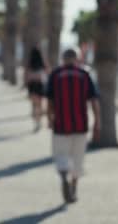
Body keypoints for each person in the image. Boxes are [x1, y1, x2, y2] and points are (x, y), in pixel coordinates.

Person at [45, 48, 101, 204]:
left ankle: (64, 176)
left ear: (63, 58)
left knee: (61, 154)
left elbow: (50, 100)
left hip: (61, 124)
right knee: (78, 158)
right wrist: (97, 121)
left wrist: (49, 118)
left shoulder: (55, 75)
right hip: (80, 124)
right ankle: (74, 187)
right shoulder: (85, 74)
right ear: (76, 58)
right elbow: (94, 101)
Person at [24, 47, 49, 132]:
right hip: (40, 85)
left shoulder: (29, 63)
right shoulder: (42, 63)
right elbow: (48, 72)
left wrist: (27, 84)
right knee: (40, 104)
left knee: (34, 105)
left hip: (32, 85)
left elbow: (26, 75)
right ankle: (39, 121)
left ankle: (36, 121)